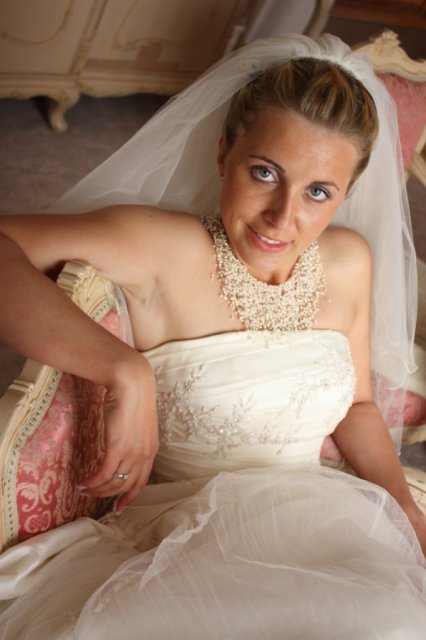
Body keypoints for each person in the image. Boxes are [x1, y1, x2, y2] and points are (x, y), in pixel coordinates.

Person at [0, 33, 425, 638]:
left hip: (324, 524)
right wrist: (124, 368)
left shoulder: (349, 260)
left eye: (318, 192)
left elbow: (357, 405)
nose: (282, 216)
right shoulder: (160, 247)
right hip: (185, 538)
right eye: (265, 172)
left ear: (346, 194)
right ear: (224, 154)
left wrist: (401, 507)